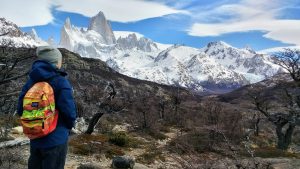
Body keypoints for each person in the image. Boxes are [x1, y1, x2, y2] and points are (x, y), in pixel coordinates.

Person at [17, 46, 76, 169]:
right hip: (56, 138)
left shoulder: (31, 81)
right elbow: (68, 111)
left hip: (35, 136)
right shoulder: (61, 81)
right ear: (55, 62)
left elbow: (20, 109)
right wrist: (69, 126)